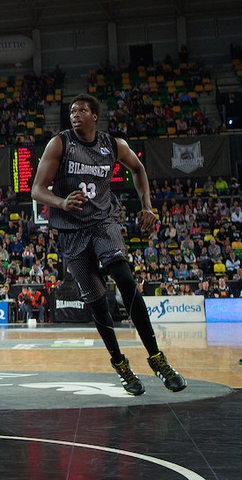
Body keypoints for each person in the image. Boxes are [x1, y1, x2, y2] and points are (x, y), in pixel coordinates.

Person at [31, 93, 187, 395]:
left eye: (82, 111)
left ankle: (157, 359)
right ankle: (120, 364)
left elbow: (139, 169)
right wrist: (61, 201)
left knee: (126, 279)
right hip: (71, 232)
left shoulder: (113, 145)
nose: (75, 115)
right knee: (97, 302)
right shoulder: (59, 143)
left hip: (104, 223)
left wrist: (147, 205)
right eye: (72, 111)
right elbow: (37, 189)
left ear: (95, 116)